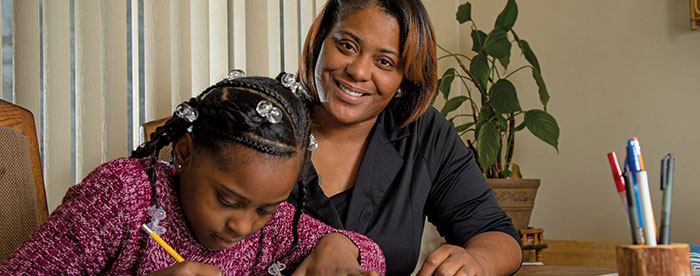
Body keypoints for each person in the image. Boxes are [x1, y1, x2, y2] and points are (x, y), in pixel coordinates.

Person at [0, 72, 385, 276]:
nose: (242, 225)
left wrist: (339, 245)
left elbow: (373, 257)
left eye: (266, 208)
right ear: (183, 152)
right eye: (227, 200)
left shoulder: (274, 227)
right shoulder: (121, 197)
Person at [289, 0, 523, 275]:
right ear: (321, 41)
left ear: (405, 78)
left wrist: (478, 262)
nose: (359, 72)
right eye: (347, 46)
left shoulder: (423, 134)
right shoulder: (258, 121)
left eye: (385, 62)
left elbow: (494, 232)